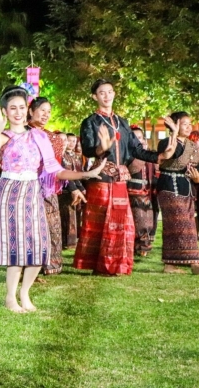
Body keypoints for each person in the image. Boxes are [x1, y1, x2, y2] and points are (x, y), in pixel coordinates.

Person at [0, 86, 105, 312]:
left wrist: (85, 175)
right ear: (5, 112)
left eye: (22, 107)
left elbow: (55, 170)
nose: (18, 112)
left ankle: (25, 294)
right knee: (17, 247)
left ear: (27, 110)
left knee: (39, 247)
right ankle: (11, 297)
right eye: (13, 108)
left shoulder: (39, 136)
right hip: (10, 190)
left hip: (33, 190)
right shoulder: (2, 136)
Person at [73, 79, 177, 276]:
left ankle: (117, 265)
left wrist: (159, 156)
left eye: (110, 91)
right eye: (102, 92)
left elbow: (136, 149)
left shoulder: (123, 122)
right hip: (101, 177)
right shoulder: (90, 122)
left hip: (121, 178)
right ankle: (100, 265)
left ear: (114, 94)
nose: (106, 95)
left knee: (121, 221)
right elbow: (87, 148)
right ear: (95, 96)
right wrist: (100, 148)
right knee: (102, 221)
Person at [27, 98, 85, 276]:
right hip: (27, 189)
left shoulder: (52, 138)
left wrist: (73, 186)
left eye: (48, 111)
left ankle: (51, 265)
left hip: (50, 190)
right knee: (31, 231)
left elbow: (59, 167)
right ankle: (29, 269)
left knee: (52, 228)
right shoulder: (22, 135)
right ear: (31, 111)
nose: (45, 114)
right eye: (42, 110)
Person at [156, 112, 199, 274]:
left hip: (186, 188)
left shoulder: (193, 146)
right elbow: (171, 154)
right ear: (175, 125)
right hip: (169, 186)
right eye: (184, 124)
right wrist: (173, 133)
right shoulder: (166, 142)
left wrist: (197, 178)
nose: (189, 127)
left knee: (189, 226)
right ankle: (185, 263)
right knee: (177, 225)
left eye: (190, 124)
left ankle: (182, 263)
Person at [127, 126, 156, 257]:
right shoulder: (127, 155)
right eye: (134, 138)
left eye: (139, 137)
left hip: (148, 192)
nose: (137, 140)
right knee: (136, 220)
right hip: (132, 191)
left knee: (147, 220)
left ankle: (143, 247)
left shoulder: (148, 154)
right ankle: (134, 246)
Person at [59, 133, 86, 249]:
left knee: (76, 214)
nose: (71, 143)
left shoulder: (76, 157)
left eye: (74, 141)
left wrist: (81, 188)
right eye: (69, 140)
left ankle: (74, 239)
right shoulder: (61, 156)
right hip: (65, 188)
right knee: (66, 215)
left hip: (76, 186)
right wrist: (73, 188)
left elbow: (77, 174)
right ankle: (66, 241)